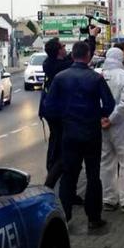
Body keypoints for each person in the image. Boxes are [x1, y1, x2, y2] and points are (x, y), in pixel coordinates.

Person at [42, 39, 116, 229]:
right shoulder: (95, 78)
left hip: (69, 133)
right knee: (93, 175)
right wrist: (99, 115)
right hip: (91, 132)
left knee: (69, 175)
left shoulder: (60, 77)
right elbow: (109, 104)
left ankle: (65, 216)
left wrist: (64, 117)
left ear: (73, 55)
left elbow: (48, 107)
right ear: (88, 56)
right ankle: (93, 218)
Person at [99, 48, 124, 213]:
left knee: (106, 162)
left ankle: (109, 199)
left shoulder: (99, 76)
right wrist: (113, 118)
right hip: (122, 126)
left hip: (102, 126)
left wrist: (102, 119)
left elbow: (94, 101)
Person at [39, 37, 73, 189]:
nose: (65, 47)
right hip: (58, 113)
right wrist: (91, 38)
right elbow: (73, 60)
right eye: (63, 45)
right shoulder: (60, 67)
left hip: (51, 111)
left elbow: (68, 59)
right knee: (61, 150)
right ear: (58, 51)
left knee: (56, 145)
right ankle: (50, 185)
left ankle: (56, 181)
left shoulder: (50, 63)